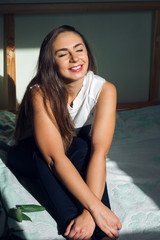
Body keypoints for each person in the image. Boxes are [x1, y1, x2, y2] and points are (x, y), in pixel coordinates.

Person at [8, 25, 122, 240]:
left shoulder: (105, 89)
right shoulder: (40, 92)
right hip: (29, 155)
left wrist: (91, 212)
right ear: (50, 62)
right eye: (63, 54)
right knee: (45, 155)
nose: (74, 58)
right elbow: (54, 158)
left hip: (69, 148)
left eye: (79, 50)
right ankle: (74, 227)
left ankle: (98, 230)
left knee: (84, 146)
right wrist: (95, 209)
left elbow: (99, 153)